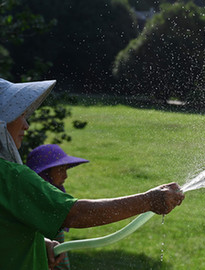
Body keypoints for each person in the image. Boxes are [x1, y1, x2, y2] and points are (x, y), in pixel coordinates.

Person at [0, 78, 185, 270]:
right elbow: (75, 214)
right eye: (19, 114)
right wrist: (148, 201)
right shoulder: (11, 177)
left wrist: (41, 242)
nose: (26, 125)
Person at [26, 144, 90, 270]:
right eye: (61, 170)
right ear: (44, 174)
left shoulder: (51, 201)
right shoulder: (38, 206)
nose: (65, 176)